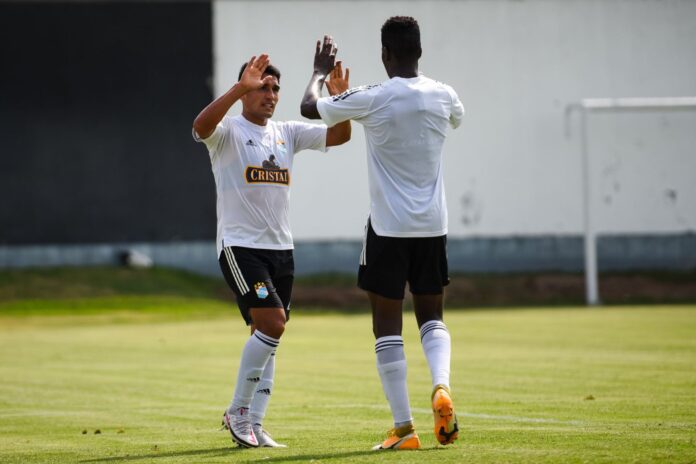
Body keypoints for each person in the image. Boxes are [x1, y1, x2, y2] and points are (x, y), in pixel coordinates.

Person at [301, 18, 464, 450]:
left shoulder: (373, 96)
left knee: (387, 325)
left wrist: (320, 73)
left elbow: (309, 108)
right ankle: (442, 386)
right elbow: (457, 117)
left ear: (384, 54)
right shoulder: (444, 94)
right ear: (420, 51)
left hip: (389, 229)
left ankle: (404, 429)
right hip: (433, 226)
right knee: (432, 316)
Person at [193, 53, 350, 448]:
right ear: (246, 89)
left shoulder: (287, 133)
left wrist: (338, 100)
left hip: (282, 250)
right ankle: (237, 411)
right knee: (274, 323)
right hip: (241, 248)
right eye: (263, 87)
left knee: (267, 336)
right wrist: (237, 89)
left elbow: (340, 135)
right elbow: (199, 126)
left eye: (276, 88)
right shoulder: (228, 131)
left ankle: (256, 424)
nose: (271, 94)